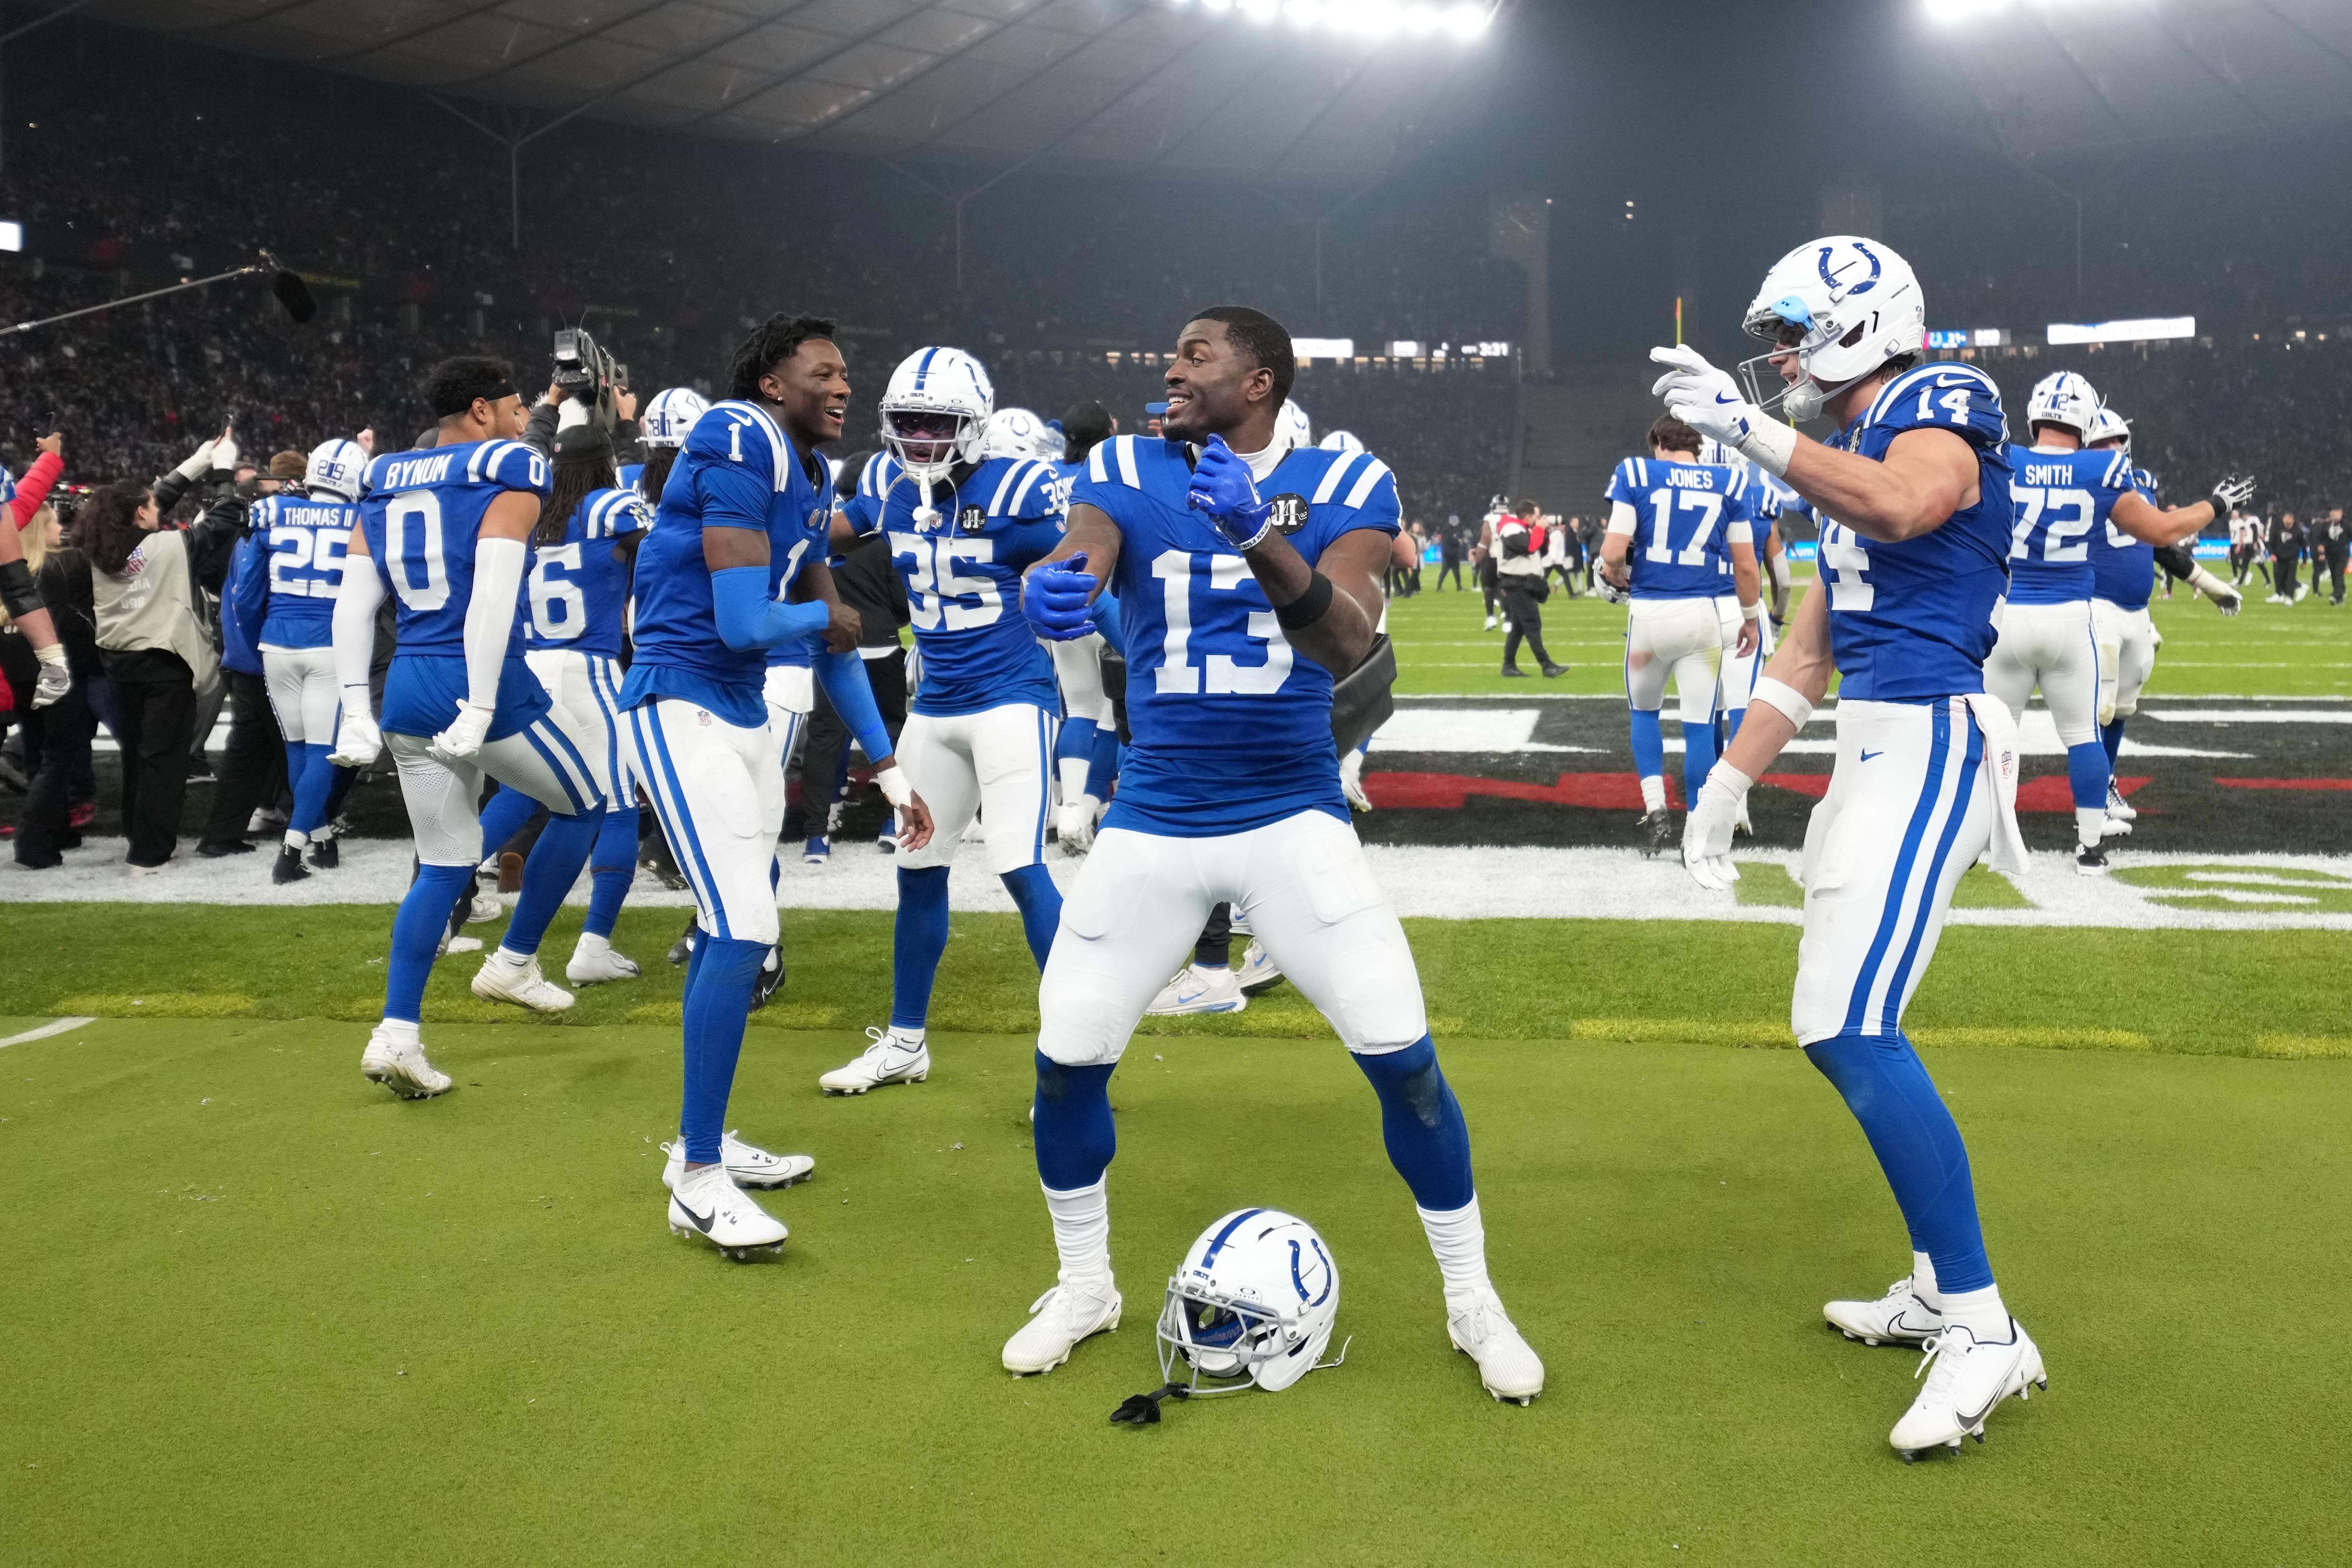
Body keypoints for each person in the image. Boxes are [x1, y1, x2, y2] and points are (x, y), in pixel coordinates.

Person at [1011, 304, 1544, 1405]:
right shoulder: (1123, 462)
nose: (1170, 367)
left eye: (1196, 355)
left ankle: (1471, 1299)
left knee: (1407, 1062)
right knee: (1064, 1061)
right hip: (1154, 814)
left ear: (1258, 382)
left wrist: (1260, 535)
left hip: (1291, 810)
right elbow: (1086, 548)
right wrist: (1054, 587)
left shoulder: (1348, 473)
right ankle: (1083, 1286)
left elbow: (1352, 639)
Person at [1656, 235, 2042, 1459]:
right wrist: (1725, 778)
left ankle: (1982, 1326)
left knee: (1846, 1022)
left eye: (1790, 330)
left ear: (1863, 323)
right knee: (1835, 1020)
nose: (1775, 356)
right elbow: (1810, 647)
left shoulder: (1937, 401)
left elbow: (1909, 501)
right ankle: (1938, 1286)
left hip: (1932, 734)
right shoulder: (1848, 454)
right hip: (1874, 742)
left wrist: (1744, 431)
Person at [617, 312, 933, 1259]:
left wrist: (888, 763)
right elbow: (750, 616)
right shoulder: (735, 433)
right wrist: (828, 607)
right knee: (745, 929)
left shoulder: (806, 473)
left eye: (847, 372)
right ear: (770, 383)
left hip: (743, 714)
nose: (843, 387)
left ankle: (698, 1143)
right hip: (679, 705)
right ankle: (698, 1178)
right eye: (824, 372)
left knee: (735, 929)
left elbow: (830, 641)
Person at [329, 356, 612, 1100]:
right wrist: (484, 702)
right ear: (483, 411)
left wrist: (357, 705)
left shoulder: (387, 474)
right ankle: (514, 961)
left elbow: (353, 604)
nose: (527, 423)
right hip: (472, 674)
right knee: (589, 804)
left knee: (446, 862)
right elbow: (490, 597)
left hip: (408, 682)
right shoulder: (506, 466)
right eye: (520, 409)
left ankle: (397, 1032)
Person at [817, 346, 1066, 1096]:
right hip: (936, 706)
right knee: (917, 870)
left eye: (939, 422)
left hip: (1013, 697)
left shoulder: (1021, 482)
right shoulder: (889, 480)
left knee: (1021, 866)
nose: (922, 436)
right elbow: (836, 528)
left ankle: (1077, 1047)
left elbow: (1086, 557)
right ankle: (904, 1042)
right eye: (908, 422)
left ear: (976, 424)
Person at [1985, 372, 2240, 874]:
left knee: (1998, 734)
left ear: (2034, 414)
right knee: (2083, 735)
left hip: (2008, 616)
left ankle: (1990, 836)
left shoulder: (2001, 459)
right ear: (2085, 419)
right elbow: (2163, 530)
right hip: (2071, 618)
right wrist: (2215, 506)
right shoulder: (2103, 466)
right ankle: (2089, 848)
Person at [469, 421, 651, 984]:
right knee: (619, 804)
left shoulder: (532, 512)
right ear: (606, 463)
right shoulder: (610, 507)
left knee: (526, 790)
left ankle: (444, 891)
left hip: (530, 666)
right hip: (587, 669)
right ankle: (593, 946)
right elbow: (663, 557)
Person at [1599, 414, 1760, 855]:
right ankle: (1698, 830)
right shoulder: (1729, 482)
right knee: (1699, 726)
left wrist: (1610, 570)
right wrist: (1749, 617)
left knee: (1645, 714)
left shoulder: (1636, 472)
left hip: (1650, 615)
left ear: (1658, 442)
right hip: (1703, 617)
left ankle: (1655, 810)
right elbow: (1746, 565)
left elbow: (1614, 552)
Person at [2082, 407, 2248, 838]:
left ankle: (2106, 783)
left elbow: (2160, 546)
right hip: (2093, 606)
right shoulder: (2077, 486)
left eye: (2117, 440)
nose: (2112, 449)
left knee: (2122, 709)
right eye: (2102, 442)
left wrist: (2211, 585)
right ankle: (2090, 801)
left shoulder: (2143, 485)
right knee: (2097, 708)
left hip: (2136, 611)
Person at [83, 474, 239, 870]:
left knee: (137, 757)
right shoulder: (169, 545)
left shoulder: (102, 548)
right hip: (164, 666)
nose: (160, 509)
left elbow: (149, 504)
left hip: (119, 666)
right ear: (140, 512)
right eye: (153, 506)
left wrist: (196, 465)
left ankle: (138, 835)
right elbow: (222, 521)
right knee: (164, 762)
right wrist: (223, 479)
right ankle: (151, 851)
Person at [251, 439, 366, 882]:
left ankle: (324, 840)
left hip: (276, 642)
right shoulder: (362, 518)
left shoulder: (271, 510)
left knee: (297, 747)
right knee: (323, 750)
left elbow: (247, 589)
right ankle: (291, 850)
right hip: (328, 644)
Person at [1047, 400, 1122, 851]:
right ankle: (1094, 806)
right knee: (1115, 712)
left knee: (1077, 709)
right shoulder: (1112, 474)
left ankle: (1071, 808)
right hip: (1107, 600)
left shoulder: (1046, 477)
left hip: (1059, 603)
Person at [6, 501, 98, 867]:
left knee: (35, 751)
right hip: (56, 669)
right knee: (58, 757)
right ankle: (33, 841)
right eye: (54, 522)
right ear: (38, 529)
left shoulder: (10, 575)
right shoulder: (58, 566)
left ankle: (56, 830)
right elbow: (70, 625)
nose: (59, 528)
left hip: (19, 670)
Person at [1494, 499, 1564, 678]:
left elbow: (1538, 546)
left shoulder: (1519, 528)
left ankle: (1508, 666)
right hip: (1517, 583)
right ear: (1527, 517)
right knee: (1533, 624)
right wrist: (1539, 529)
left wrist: (1544, 531)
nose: (1539, 519)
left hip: (1521, 582)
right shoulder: (1512, 529)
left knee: (1519, 627)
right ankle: (1547, 666)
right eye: (1537, 516)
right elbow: (1529, 547)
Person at [2322, 508, 2348, 605]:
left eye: (2336, 512)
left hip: (2343, 554)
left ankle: (2335, 595)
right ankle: (2339, 598)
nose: (2334, 514)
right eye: (2333, 512)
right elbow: (2321, 537)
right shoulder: (2327, 525)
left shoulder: (2346, 525)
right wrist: (2321, 546)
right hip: (2331, 554)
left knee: (2339, 574)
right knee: (2334, 575)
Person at [1435, 517, 1464, 591]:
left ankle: (1459, 587)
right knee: (1444, 572)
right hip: (1449, 555)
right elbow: (1449, 542)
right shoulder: (1447, 531)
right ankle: (1439, 587)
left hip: (1454, 555)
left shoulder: (1455, 530)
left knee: (1457, 573)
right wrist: (1458, 542)